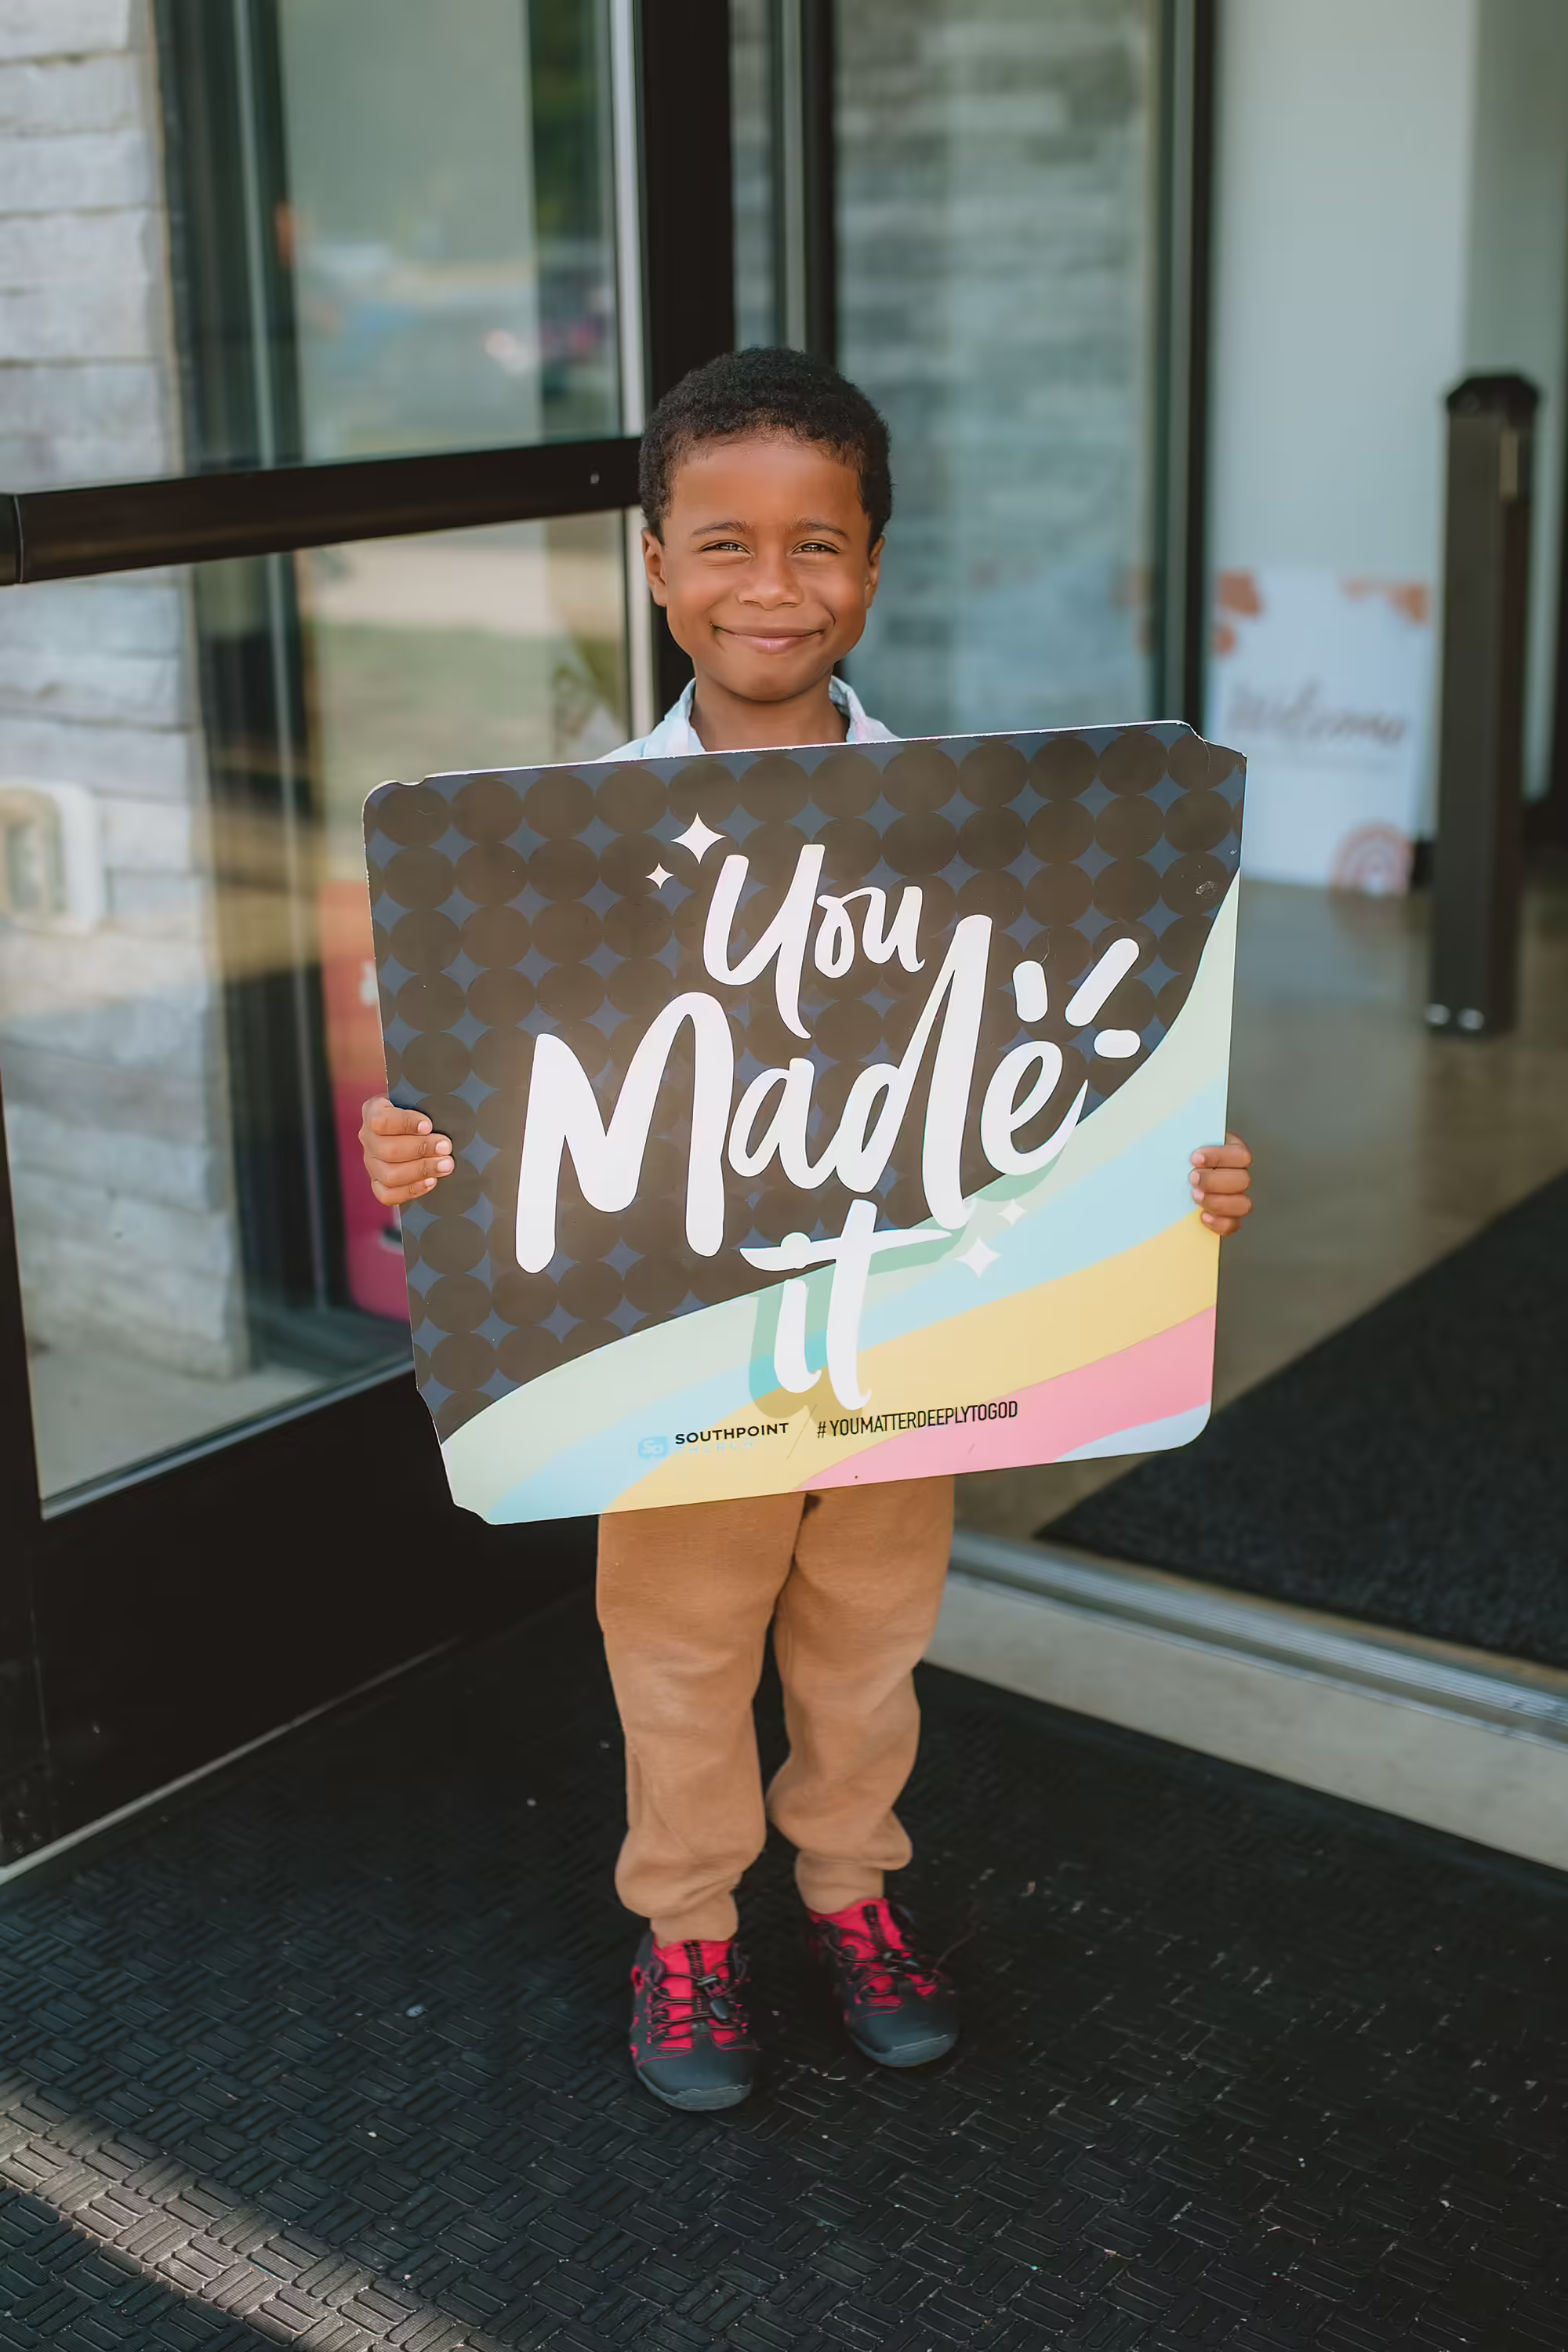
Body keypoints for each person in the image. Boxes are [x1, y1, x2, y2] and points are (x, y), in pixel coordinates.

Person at [361, 348, 1254, 2112]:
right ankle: (687, 1926)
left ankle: (851, 1885)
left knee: (867, 1640)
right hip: (678, 1363)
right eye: (722, 543)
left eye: (818, 544)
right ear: (652, 562)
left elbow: (1070, 1062)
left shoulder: (985, 836)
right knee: (681, 1656)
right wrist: (423, 1156)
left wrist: (1174, 1181)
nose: (772, 587)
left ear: (874, 561)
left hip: (903, 1342)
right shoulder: (559, 852)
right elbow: (518, 1117)